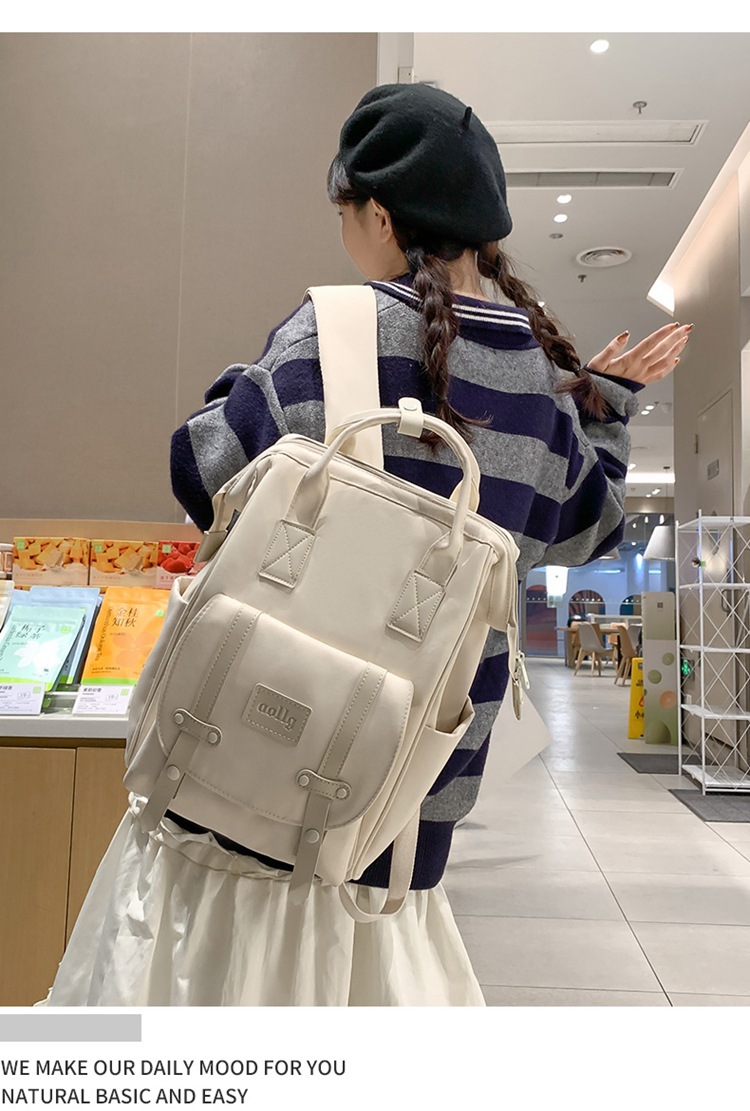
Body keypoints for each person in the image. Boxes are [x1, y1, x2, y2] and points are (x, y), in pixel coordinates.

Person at [40, 82, 690, 1008]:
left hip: (245, 781)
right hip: (402, 826)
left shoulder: (332, 329)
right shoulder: (540, 387)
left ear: (380, 216)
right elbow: (592, 527)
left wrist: (251, 376)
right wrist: (603, 403)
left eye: (345, 211)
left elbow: (201, 469)